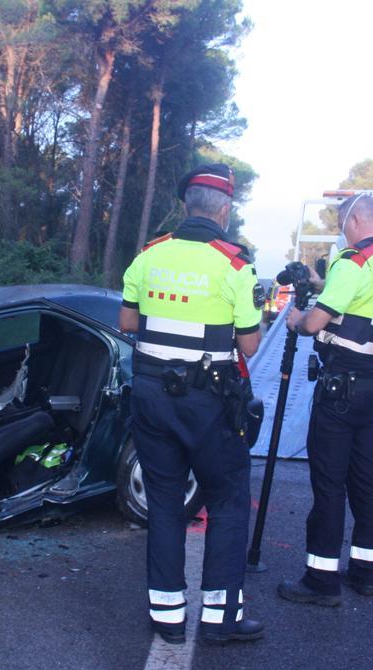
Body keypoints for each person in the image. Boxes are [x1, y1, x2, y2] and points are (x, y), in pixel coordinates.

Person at [119, 163, 266, 644]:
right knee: (226, 500)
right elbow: (248, 347)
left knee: (165, 501)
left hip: (151, 394)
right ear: (223, 210)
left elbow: (126, 322)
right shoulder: (236, 265)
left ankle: (167, 617)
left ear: (186, 206)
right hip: (209, 402)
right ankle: (221, 619)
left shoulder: (148, 255)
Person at [277, 194, 373, 606]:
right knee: (366, 480)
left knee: (329, 483)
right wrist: (321, 285)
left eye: (341, 224)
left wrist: (298, 318)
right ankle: (365, 573)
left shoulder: (353, 261)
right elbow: (359, 309)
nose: (341, 232)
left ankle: (321, 580)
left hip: (341, 390)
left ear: (354, 221)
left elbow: (317, 322)